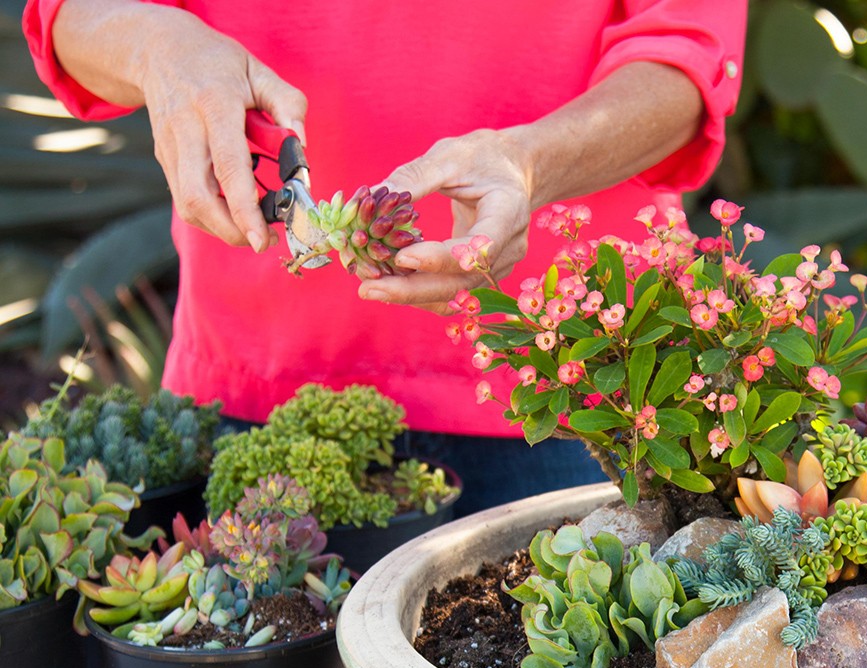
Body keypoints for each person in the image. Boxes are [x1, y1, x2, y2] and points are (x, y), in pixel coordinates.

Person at [23, 0, 747, 511]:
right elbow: (69, 13)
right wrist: (159, 48)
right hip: (258, 389)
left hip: (570, 398)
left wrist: (530, 163)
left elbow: (685, 54)